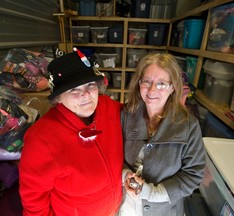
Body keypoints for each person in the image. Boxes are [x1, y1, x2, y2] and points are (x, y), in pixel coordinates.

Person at [19, 50, 123, 216]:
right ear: (58, 98)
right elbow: (34, 202)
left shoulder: (109, 107)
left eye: (91, 84)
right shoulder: (40, 139)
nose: (86, 94)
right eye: (74, 89)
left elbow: (138, 114)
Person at [119, 53, 206, 216]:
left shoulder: (189, 125)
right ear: (139, 83)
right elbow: (114, 155)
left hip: (164, 210)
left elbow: (193, 174)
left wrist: (152, 193)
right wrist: (125, 176)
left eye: (161, 83)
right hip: (127, 206)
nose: (152, 89)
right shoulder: (125, 115)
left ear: (173, 87)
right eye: (147, 81)